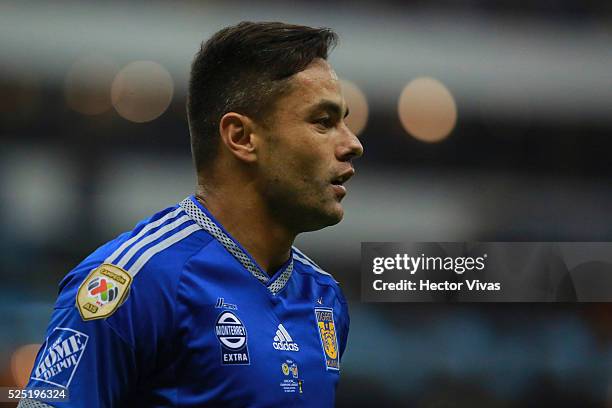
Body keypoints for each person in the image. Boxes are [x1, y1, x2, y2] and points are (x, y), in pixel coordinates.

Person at [19, 21, 363, 407]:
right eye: (323, 121)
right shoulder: (134, 281)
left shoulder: (324, 297)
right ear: (242, 137)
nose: (353, 144)